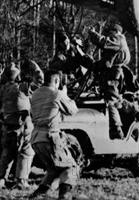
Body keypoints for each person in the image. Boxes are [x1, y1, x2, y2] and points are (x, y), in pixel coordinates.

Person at [29, 69, 84, 200]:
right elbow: (72, 110)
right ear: (56, 81)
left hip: (36, 138)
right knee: (71, 168)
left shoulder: (35, 94)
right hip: (50, 138)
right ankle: (64, 196)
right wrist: (65, 94)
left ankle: (38, 195)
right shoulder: (57, 94)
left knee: (53, 169)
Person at [0, 63, 36, 190]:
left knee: (6, 153)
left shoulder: (2, 89)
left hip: (7, 125)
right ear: (18, 76)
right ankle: (21, 181)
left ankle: (0, 180)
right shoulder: (22, 87)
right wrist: (36, 68)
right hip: (23, 125)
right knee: (26, 152)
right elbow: (40, 81)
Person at [88, 21, 130, 139]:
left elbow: (104, 42)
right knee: (116, 99)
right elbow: (106, 60)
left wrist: (92, 34)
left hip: (113, 75)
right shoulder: (119, 41)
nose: (108, 35)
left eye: (110, 32)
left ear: (116, 31)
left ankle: (117, 129)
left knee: (111, 101)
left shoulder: (118, 40)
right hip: (113, 73)